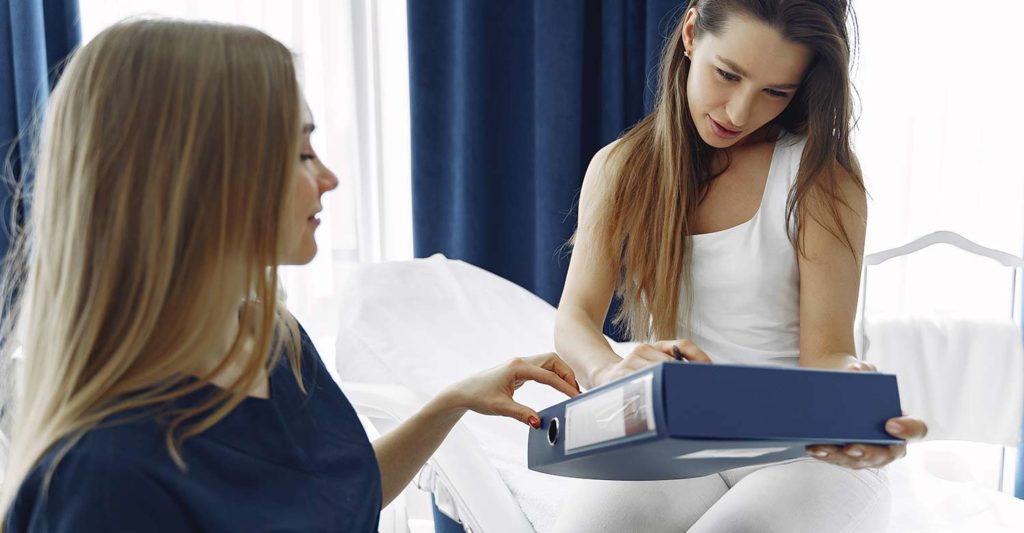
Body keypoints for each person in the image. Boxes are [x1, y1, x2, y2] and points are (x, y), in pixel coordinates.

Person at [0, 19, 580, 532]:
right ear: (199, 178)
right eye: (302, 153)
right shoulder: (99, 482)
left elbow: (341, 498)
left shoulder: (273, 342)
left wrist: (451, 403)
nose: (328, 178)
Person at [553, 1, 927, 531]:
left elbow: (827, 352)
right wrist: (608, 370)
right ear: (690, 34)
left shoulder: (818, 174)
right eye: (727, 75)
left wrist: (856, 404)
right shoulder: (620, 168)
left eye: (777, 92)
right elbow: (573, 320)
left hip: (805, 452)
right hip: (680, 441)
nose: (738, 112)